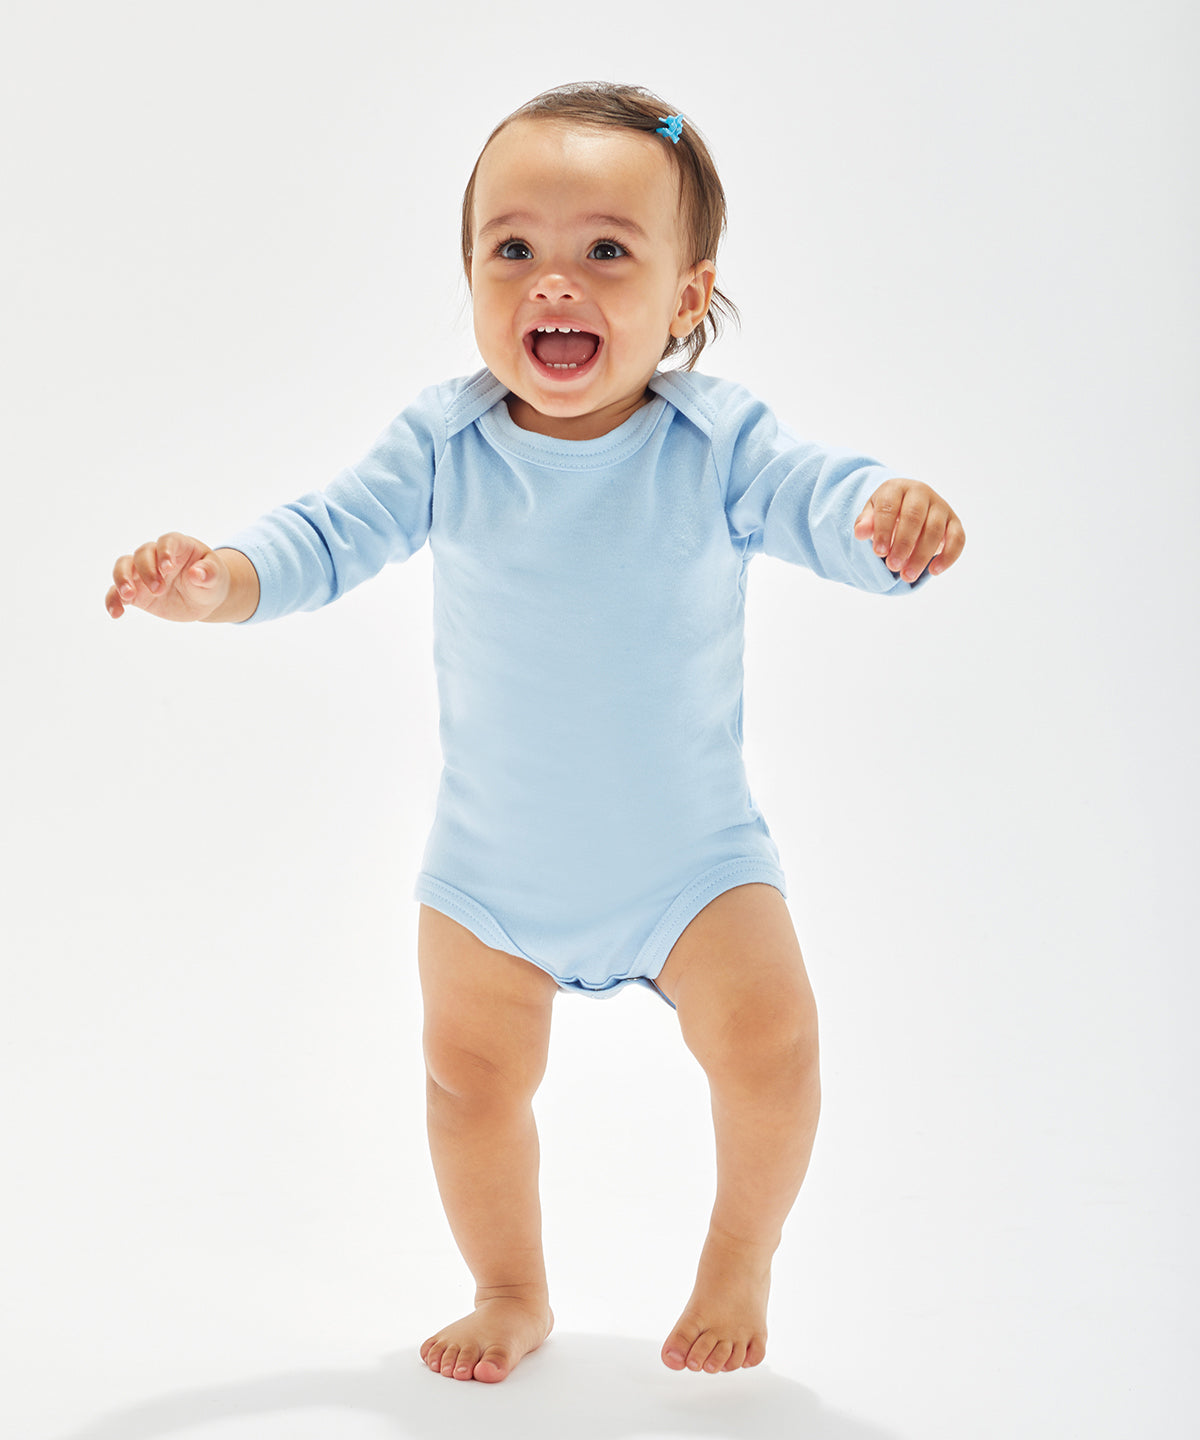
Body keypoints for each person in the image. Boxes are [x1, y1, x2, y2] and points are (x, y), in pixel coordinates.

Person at [104, 81, 965, 1385]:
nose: (553, 281)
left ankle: (740, 1253)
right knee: (467, 1085)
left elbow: (820, 499)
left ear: (686, 299)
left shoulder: (716, 443)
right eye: (513, 248)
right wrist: (216, 581)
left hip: (693, 869)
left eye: (606, 250)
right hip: (490, 876)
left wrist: (886, 524)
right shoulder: (443, 444)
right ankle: (508, 1288)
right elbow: (324, 537)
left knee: (775, 1047)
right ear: (469, 276)